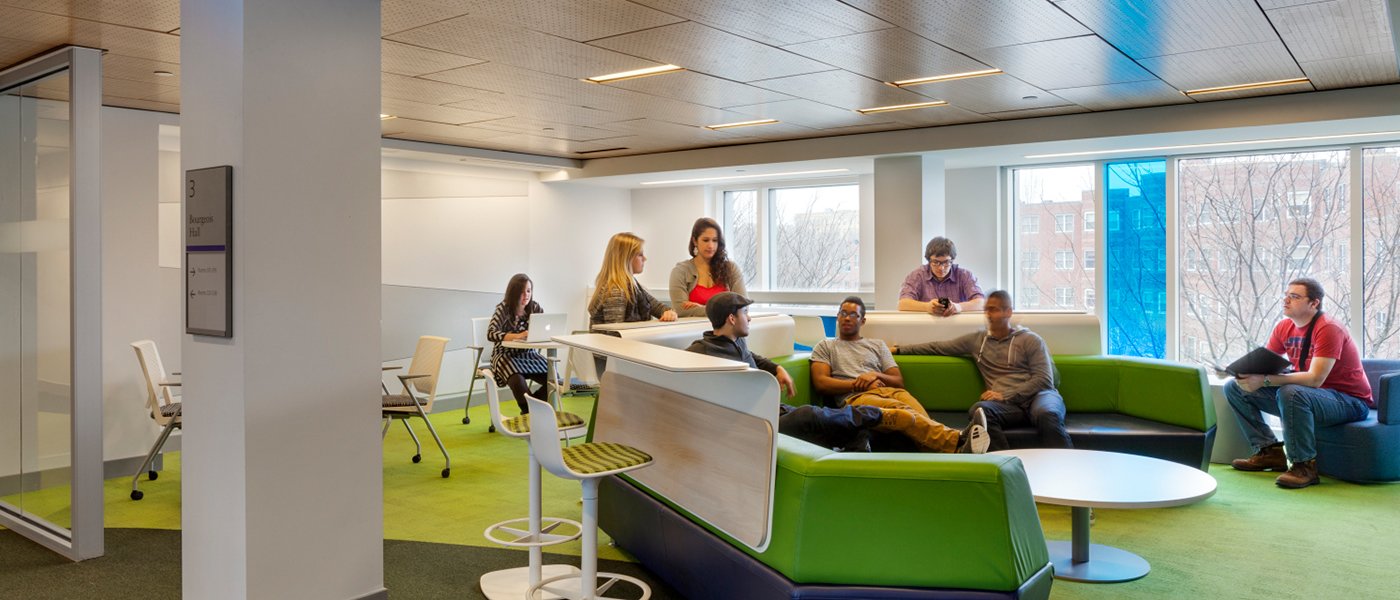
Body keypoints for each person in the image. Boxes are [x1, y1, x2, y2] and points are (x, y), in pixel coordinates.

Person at [685, 292, 886, 451]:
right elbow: (678, 369)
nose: (749, 318)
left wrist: (777, 368)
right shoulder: (703, 349)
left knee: (828, 425)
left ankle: (857, 443)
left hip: (772, 409)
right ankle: (872, 415)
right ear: (731, 318)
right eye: (745, 313)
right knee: (807, 415)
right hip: (753, 421)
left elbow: (753, 357)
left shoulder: (737, 341)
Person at [1225, 278, 1372, 489]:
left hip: (1349, 402)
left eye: (1294, 297)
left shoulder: (1329, 328)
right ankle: (1269, 451)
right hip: (1311, 397)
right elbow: (1265, 365)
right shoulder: (1284, 327)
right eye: (1286, 295)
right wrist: (1238, 372)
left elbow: (1315, 379)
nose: (1286, 300)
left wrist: (1264, 380)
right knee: (1235, 387)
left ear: (1314, 303)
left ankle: (1304, 466)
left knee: (1291, 392)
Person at [892, 290, 1071, 451]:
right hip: (1009, 407)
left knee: (1047, 414)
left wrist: (1005, 395)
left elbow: (1043, 379)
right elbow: (938, 347)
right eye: (987, 310)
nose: (989, 315)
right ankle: (1006, 462)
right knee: (980, 411)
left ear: (1008, 312)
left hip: (1038, 397)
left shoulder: (1031, 340)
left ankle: (1066, 467)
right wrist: (899, 350)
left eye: (994, 310)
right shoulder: (977, 340)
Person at [811, 296, 989, 454]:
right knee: (903, 411)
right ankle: (958, 438)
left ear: (862, 321)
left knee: (920, 415)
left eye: (853, 315)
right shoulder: (826, 346)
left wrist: (874, 375)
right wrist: (860, 383)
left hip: (891, 391)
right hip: (855, 398)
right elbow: (821, 383)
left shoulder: (877, 345)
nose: (847, 318)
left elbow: (898, 381)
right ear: (837, 317)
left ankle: (956, 449)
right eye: (843, 313)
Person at [486, 273, 549, 415]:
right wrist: (518, 336)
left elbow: (544, 328)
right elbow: (491, 333)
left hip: (528, 354)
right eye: (522, 291)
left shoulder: (535, 308)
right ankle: (529, 411)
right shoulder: (504, 308)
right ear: (514, 293)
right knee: (517, 380)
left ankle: (532, 409)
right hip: (504, 354)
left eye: (529, 290)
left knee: (554, 378)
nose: (526, 295)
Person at [588, 232, 679, 327]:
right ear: (626, 258)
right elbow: (615, 332)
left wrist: (669, 313)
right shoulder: (616, 291)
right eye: (640, 255)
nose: (645, 259)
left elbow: (660, 308)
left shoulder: (634, 286)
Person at [670, 217, 747, 318]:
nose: (711, 246)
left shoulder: (731, 268)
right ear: (695, 241)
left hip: (727, 328)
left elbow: (742, 306)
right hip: (693, 328)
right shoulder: (680, 271)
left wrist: (703, 308)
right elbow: (680, 310)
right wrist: (720, 310)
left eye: (715, 240)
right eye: (705, 240)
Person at [898, 236, 985, 317]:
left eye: (946, 262)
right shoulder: (917, 275)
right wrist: (926, 307)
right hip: (927, 325)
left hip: (958, 325)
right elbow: (903, 303)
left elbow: (981, 303)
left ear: (952, 260)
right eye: (936, 262)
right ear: (928, 261)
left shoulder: (965, 275)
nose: (941, 268)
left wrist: (959, 307)